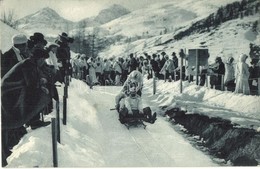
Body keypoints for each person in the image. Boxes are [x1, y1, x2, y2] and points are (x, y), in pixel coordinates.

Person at [1, 48, 51, 166]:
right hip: (10, 92)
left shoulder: (30, 63)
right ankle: (33, 121)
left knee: (8, 122)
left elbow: (34, 80)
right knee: (38, 95)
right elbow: (31, 84)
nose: (43, 62)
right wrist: (41, 85)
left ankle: (32, 121)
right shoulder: (28, 64)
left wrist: (41, 81)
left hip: (13, 90)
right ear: (38, 58)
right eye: (43, 59)